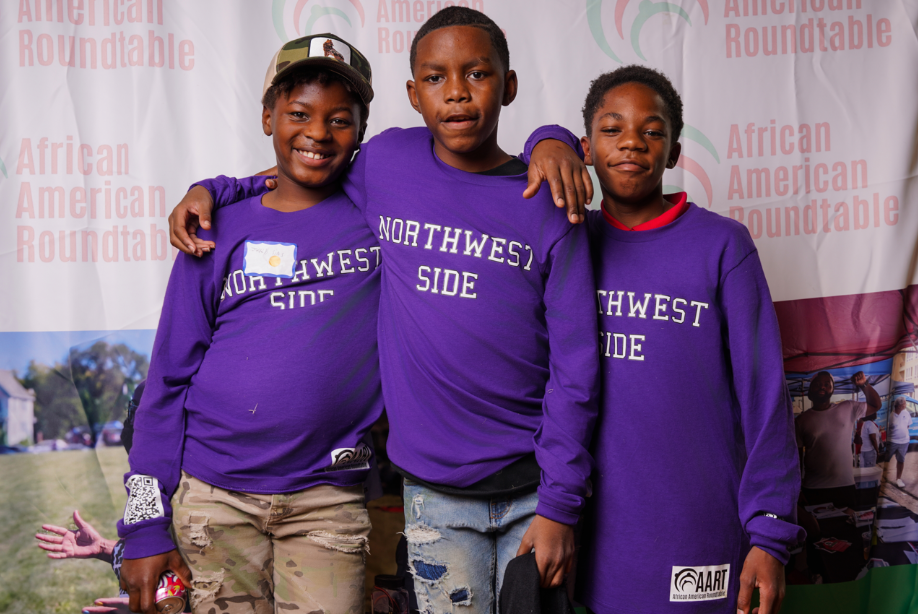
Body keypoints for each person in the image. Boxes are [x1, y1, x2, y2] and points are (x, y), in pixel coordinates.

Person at [168, 8, 600, 611]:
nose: (455, 92)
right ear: (412, 94)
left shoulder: (548, 200)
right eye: (435, 78)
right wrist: (213, 188)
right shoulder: (385, 163)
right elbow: (300, 169)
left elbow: (579, 366)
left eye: (476, 74)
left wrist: (550, 138)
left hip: (535, 482)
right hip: (433, 490)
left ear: (509, 85)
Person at [117, 34, 383, 614]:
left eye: (340, 119)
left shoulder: (382, 214)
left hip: (326, 499)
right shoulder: (216, 230)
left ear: (362, 131)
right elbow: (165, 384)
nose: (317, 132)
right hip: (213, 500)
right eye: (298, 114)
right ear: (268, 118)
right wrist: (142, 524)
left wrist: (553, 140)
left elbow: (463, 175)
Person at [538, 65, 803, 614]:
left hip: (697, 524)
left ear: (675, 151)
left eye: (652, 130)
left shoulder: (722, 247)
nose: (632, 141)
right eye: (612, 129)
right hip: (596, 529)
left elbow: (764, 396)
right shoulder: (565, 240)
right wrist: (546, 140)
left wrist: (770, 533)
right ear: (585, 147)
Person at [796, 371, 880, 508]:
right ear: (810, 390)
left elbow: (876, 405)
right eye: (817, 384)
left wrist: (863, 385)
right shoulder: (801, 421)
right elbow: (797, 459)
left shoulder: (848, 408)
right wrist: (797, 489)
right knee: (817, 529)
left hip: (844, 486)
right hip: (813, 488)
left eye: (826, 384)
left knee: (846, 527)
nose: (822, 387)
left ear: (832, 389)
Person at [887, 397, 913, 488]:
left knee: (901, 460)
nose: (906, 405)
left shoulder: (906, 413)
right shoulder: (891, 416)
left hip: (904, 441)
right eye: (905, 404)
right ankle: (882, 478)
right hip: (892, 441)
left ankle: (898, 479)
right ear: (899, 406)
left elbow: (908, 425)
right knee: (886, 459)